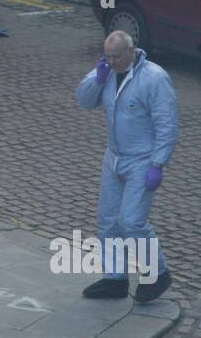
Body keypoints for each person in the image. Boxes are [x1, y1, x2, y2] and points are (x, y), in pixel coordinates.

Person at [73, 29, 178, 303]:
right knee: (107, 221)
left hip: (142, 159)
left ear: (131, 51)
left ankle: (157, 273)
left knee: (131, 221)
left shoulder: (154, 78)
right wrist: (97, 80)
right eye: (107, 56)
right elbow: (83, 101)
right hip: (115, 157)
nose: (111, 62)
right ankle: (115, 278)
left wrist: (158, 163)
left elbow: (166, 123)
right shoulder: (106, 73)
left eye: (116, 57)